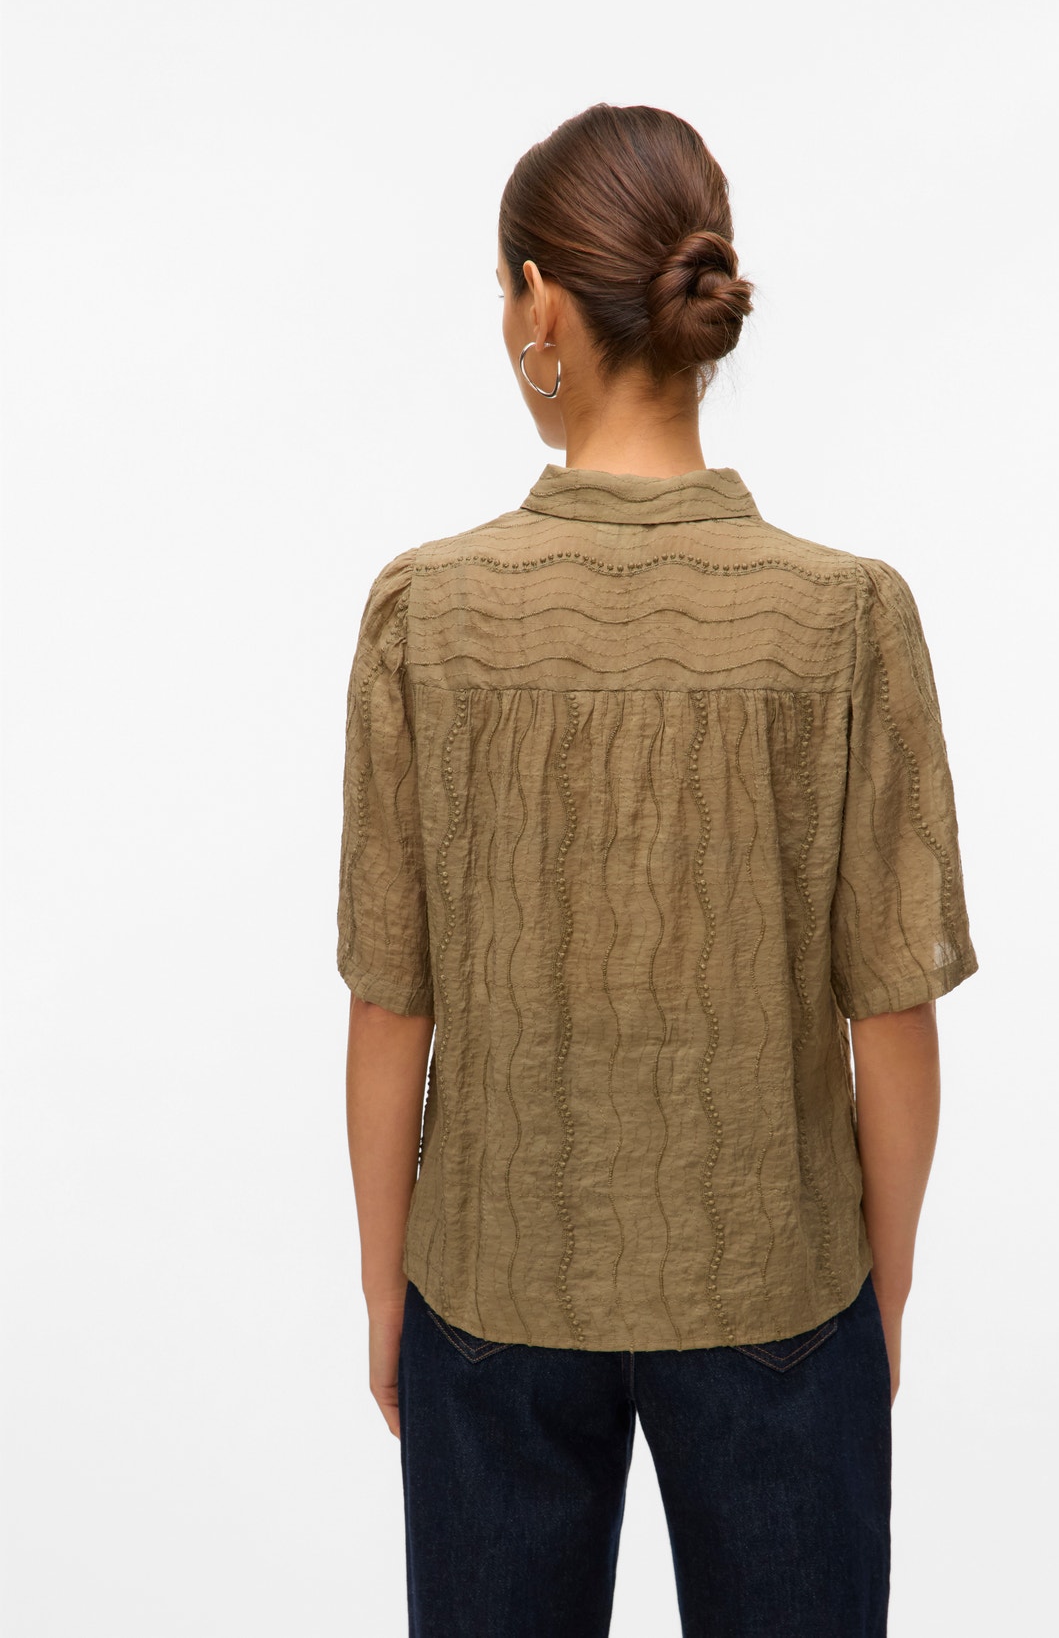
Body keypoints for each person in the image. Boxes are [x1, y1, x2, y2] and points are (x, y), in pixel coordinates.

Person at [338, 103, 978, 1638]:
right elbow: (892, 1011)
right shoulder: (844, 616)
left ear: (541, 303)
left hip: (490, 1283)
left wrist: (384, 1293)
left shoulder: (428, 611)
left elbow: (390, 1003)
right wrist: (880, 1295)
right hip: (779, 1281)